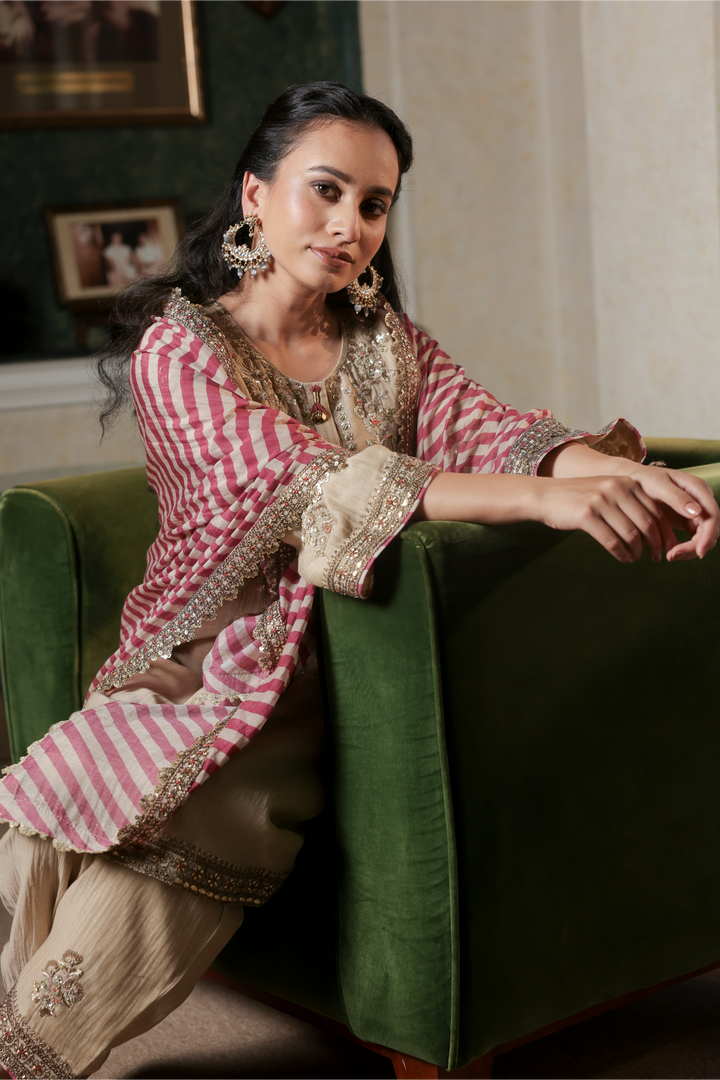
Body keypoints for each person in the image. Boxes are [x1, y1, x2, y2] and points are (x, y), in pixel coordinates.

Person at [0, 81, 717, 1079]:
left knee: (209, 803)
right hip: (197, 656)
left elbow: (497, 432)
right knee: (56, 801)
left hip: (342, 653)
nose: (349, 227)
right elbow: (313, 480)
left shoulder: (388, 345)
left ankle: (27, 1054)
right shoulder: (182, 351)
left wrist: (632, 476)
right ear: (255, 195)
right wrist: (545, 504)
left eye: (374, 205)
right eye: (325, 191)